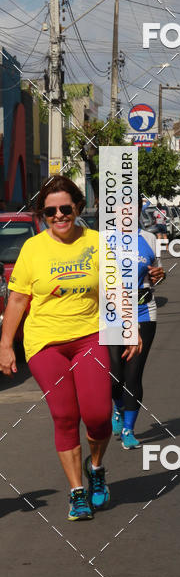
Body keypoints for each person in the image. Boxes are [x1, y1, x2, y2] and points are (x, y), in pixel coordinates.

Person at [0, 176, 142, 520]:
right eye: (50, 211)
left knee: (97, 416)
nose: (59, 216)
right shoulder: (33, 249)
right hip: (44, 343)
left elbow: (114, 288)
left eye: (65, 208)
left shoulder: (96, 242)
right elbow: (17, 299)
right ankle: (77, 491)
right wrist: (5, 345)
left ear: (78, 207)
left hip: (89, 337)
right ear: (42, 215)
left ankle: (96, 468)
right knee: (64, 416)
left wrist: (129, 326)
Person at [109, 198, 165, 449]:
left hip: (143, 310)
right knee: (114, 376)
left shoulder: (149, 239)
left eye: (131, 206)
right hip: (111, 313)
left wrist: (160, 275)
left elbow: (157, 274)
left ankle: (129, 429)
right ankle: (118, 407)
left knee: (134, 373)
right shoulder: (103, 240)